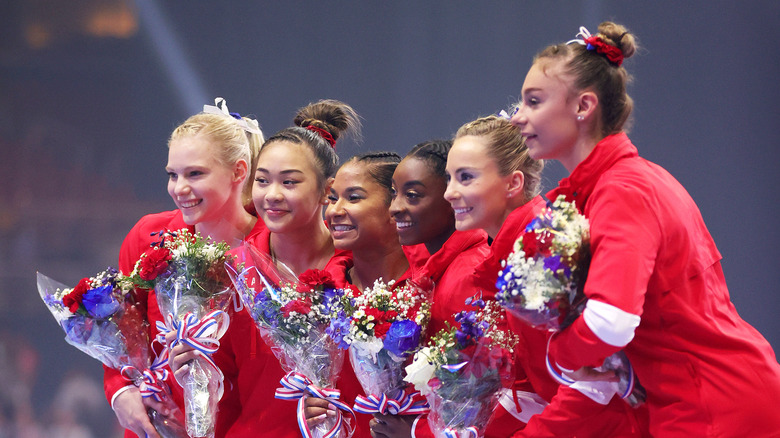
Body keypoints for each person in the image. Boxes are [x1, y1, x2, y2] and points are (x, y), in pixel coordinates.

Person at [511, 22, 780, 436]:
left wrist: (561, 353)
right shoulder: (619, 183)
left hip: (713, 405)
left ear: (584, 106)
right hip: (703, 398)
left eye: (533, 101)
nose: (517, 117)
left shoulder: (623, 189)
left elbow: (610, 321)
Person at [447, 115, 645, 437]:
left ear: (513, 183)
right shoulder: (514, 251)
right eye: (450, 178)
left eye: (465, 178)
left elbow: (597, 382)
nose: (449, 193)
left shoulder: (546, 252)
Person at [105, 99, 266, 438]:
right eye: (173, 175)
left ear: (239, 172)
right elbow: (121, 329)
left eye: (195, 174)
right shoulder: (148, 236)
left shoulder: (273, 247)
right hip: (158, 427)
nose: (179, 189)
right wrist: (120, 391)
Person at [368, 139, 492, 437]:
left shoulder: (472, 274)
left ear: (453, 198)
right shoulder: (433, 269)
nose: (395, 208)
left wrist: (418, 432)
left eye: (412, 196)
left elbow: (485, 394)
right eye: (395, 194)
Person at [304, 152, 428, 437]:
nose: (334, 211)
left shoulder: (429, 287)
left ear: (395, 206)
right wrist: (315, 407)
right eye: (333, 198)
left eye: (354, 197)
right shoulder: (321, 296)